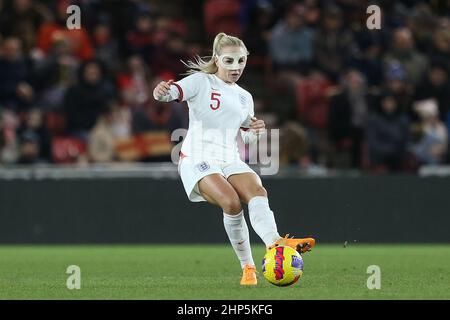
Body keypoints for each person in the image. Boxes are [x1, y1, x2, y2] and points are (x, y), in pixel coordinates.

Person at [153, 32, 315, 286]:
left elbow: (246, 138)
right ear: (217, 59)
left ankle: (275, 242)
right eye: (229, 61)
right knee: (231, 202)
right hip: (198, 157)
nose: (236, 67)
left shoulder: (244, 97)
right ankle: (248, 267)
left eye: (241, 61)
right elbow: (167, 94)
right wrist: (160, 90)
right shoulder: (200, 82)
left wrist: (256, 132)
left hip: (229, 156)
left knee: (257, 190)